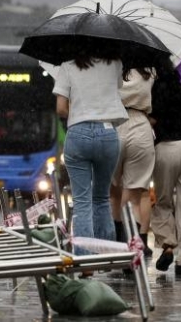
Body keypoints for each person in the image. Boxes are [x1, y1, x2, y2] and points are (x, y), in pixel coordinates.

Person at [52, 41, 129, 254]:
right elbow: (117, 87)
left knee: (82, 201)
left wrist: (78, 114)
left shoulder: (67, 66)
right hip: (107, 133)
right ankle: (106, 255)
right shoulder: (114, 64)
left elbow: (60, 108)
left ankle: (85, 260)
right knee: (102, 197)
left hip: (78, 133)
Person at [148, 56, 181, 277]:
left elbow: (152, 121)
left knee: (163, 201)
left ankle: (168, 245)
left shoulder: (155, 91)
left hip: (165, 149)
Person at [109, 68, 155, 257]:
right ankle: (132, 247)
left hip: (112, 124)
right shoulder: (149, 70)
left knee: (112, 193)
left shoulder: (110, 67)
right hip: (141, 126)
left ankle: (116, 243)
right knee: (134, 199)